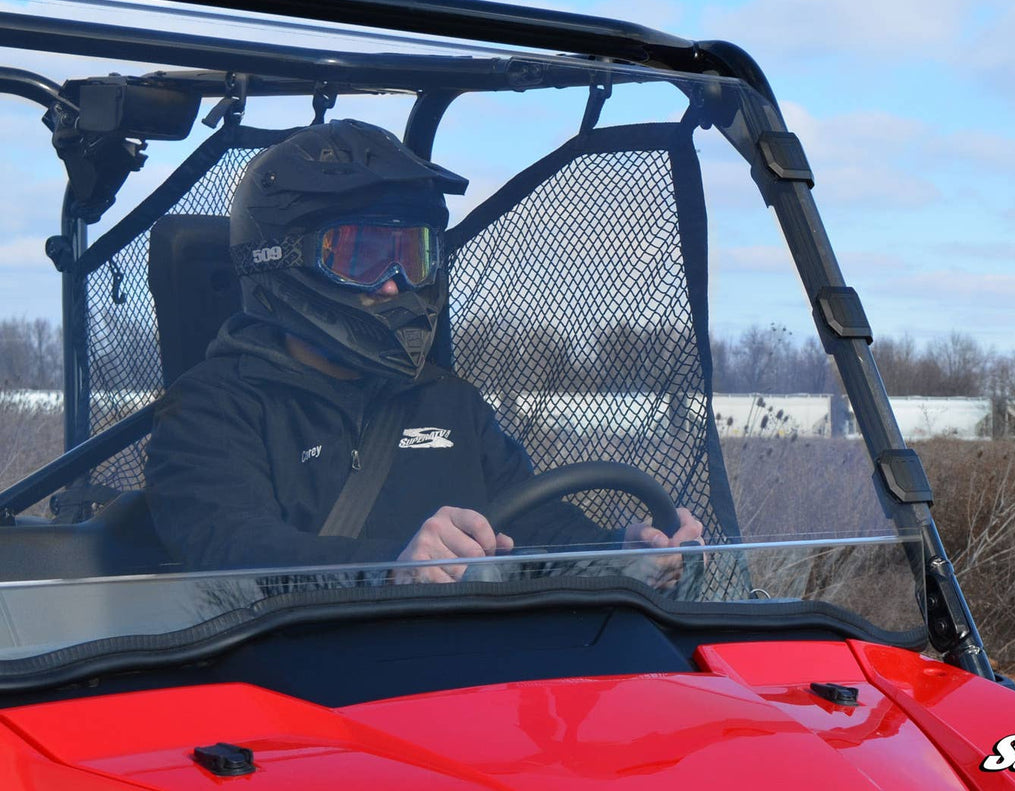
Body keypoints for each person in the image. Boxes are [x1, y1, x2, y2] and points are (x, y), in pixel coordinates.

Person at [145, 119, 702, 585]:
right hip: (300, 690)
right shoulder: (207, 409)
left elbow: (535, 522)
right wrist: (391, 569)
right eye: (361, 255)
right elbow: (234, 550)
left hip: (472, 680)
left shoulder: (447, 401)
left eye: (411, 256)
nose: (394, 285)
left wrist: (619, 550)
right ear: (277, 259)